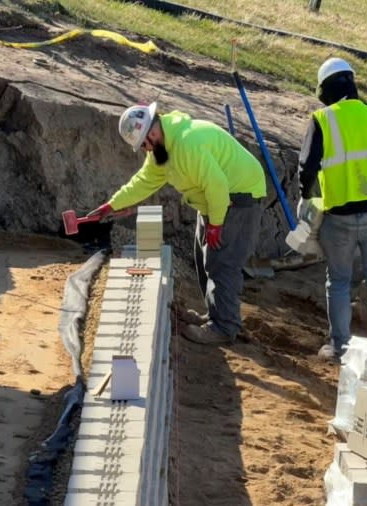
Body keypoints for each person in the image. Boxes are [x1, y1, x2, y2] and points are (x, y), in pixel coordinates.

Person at [88, 102, 267, 345]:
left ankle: (224, 328)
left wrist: (215, 224)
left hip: (237, 199)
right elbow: (144, 181)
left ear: (152, 133)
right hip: (215, 202)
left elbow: (217, 185)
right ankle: (215, 315)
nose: (144, 151)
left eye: (143, 145)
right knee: (203, 258)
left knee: (221, 262)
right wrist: (112, 205)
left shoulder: (187, 144)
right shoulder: (164, 149)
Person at [296, 57, 367, 361]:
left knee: (339, 280)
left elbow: (307, 165)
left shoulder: (323, 119)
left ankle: (340, 346)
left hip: (339, 218)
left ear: (325, 89)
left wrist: (304, 196)